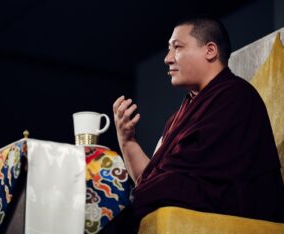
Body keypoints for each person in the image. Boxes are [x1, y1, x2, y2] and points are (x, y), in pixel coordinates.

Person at [113, 17, 284, 230]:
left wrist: (144, 193)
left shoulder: (236, 96)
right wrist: (127, 140)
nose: (167, 58)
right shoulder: (176, 118)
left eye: (177, 47)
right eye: (168, 49)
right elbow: (150, 178)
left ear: (210, 50)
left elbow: (183, 182)